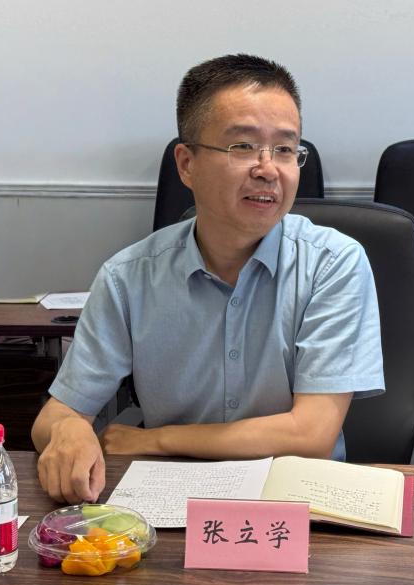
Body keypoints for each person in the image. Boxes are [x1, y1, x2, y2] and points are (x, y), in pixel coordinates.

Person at [33, 54, 383, 503]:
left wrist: (158, 439)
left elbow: (310, 435)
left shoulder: (332, 263)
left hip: (298, 503)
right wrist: (68, 429)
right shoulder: (129, 277)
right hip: (167, 499)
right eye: (243, 147)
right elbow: (55, 415)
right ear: (186, 164)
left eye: (285, 149)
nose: (268, 169)